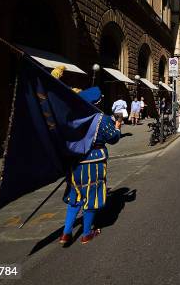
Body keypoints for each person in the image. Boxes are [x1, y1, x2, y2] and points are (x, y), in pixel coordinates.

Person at [59, 87, 121, 245]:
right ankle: (86, 234)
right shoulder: (101, 118)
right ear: (97, 102)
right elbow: (112, 138)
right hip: (95, 162)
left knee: (75, 196)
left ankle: (66, 234)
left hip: (75, 162)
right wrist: (118, 127)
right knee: (92, 196)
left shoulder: (71, 118)